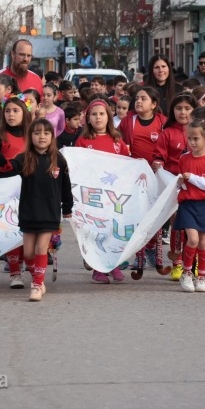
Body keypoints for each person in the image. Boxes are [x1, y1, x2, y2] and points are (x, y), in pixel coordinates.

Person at [5, 119, 73, 301]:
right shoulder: (23, 158)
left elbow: (65, 186)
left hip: (50, 212)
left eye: (46, 133)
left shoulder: (59, 159)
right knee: (28, 253)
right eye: (36, 133)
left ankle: (36, 285)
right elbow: (8, 168)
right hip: (29, 211)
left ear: (52, 136)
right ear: (30, 136)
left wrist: (67, 206)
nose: (41, 137)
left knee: (41, 248)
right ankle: (38, 277)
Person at [75, 98, 130, 283]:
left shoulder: (117, 140)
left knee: (113, 230)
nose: (98, 118)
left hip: (113, 195)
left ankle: (113, 265)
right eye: (94, 114)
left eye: (102, 114)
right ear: (88, 118)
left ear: (109, 116)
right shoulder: (83, 141)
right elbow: (77, 165)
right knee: (96, 231)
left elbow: (126, 163)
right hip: (92, 195)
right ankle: (98, 269)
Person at [0, 97, 33, 289]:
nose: (11, 114)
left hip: (29, 188)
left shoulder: (32, 135)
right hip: (5, 190)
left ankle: (33, 271)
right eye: (7, 111)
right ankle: (14, 273)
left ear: (24, 113)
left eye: (15, 111)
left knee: (26, 233)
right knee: (10, 231)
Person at [174, 118, 205, 293]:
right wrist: (179, 183)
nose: (192, 142)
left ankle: (201, 276)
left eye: (196, 139)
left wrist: (192, 178)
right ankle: (186, 273)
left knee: (203, 243)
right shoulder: (183, 158)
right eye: (190, 138)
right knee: (192, 239)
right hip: (188, 204)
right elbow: (180, 183)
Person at [152, 94, 196, 279]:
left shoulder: (200, 131)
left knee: (194, 226)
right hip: (173, 185)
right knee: (177, 223)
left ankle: (192, 262)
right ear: (172, 111)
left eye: (187, 108)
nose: (183, 112)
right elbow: (159, 156)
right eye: (179, 108)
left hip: (196, 185)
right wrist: (158, 163)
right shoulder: (167, 133)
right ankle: (177, 262)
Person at [118, 86, 165, 166]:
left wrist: (161, 161)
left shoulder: (163, 122)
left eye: (143, 99)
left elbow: (168, 148)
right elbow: (117, 139)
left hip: (155, 170)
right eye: (137, 99)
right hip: (132, 167)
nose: (138, 101)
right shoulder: (127, 120)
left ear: (153, 104)